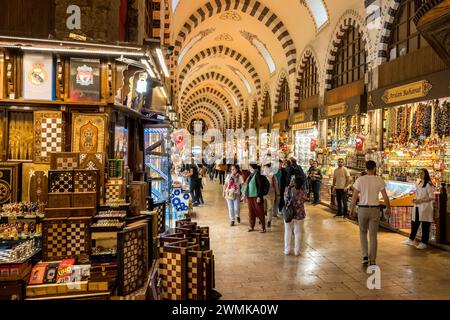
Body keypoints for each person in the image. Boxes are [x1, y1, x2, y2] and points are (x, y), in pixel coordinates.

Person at [349, 160, 391, 266]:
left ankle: (364, 257)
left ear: (366, 168)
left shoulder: (360, 180)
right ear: (375, 168)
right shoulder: (379, 180)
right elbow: (385, 196)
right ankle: (372, 260)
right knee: (373, 236)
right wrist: (388, 208)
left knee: (362, 233)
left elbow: (354, 196)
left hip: (362, 209)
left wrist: (351, 209)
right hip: (375, 210)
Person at [402, 169, 435, 250]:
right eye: (419, 173)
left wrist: (420, 200)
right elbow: (418, 195)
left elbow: (432, 197)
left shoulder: (428, 184)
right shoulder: (420, 183)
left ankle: (424, 242)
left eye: (422, 173)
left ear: (426, 174)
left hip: (425, 208)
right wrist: (415, 200)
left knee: (425, 225)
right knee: (414, 223)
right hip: (417, 207)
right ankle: (411, 239)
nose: (420, 175)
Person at [284, 176, 307, 256]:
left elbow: (285, 200)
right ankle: (297, 251)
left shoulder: (289, 190)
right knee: (298, 232)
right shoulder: (303, 191)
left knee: (288, 231)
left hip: (289, 214)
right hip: (299, 214)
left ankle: (287, 250)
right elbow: (304, 200)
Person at [243, 164, 266, 233]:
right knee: (251, 212)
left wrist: (259, 196)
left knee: (260, 212)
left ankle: (263, 227)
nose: (249, 168)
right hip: (250, 196)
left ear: (253, 168)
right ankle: (251, 226)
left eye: (250, 167)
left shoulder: (258, 175)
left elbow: (260, 187)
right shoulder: (251, 175)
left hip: (256, 197)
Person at [263, 163, 279, 228]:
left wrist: (278, 194)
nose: (265, 169)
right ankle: (263, 218)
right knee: (263, 208)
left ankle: (269, 221)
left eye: (267, 168)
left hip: (271, 193)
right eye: (264, 168)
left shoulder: (273, 176)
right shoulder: (262, 176)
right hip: (263, 194)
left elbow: (275, 185)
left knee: (270, 208)